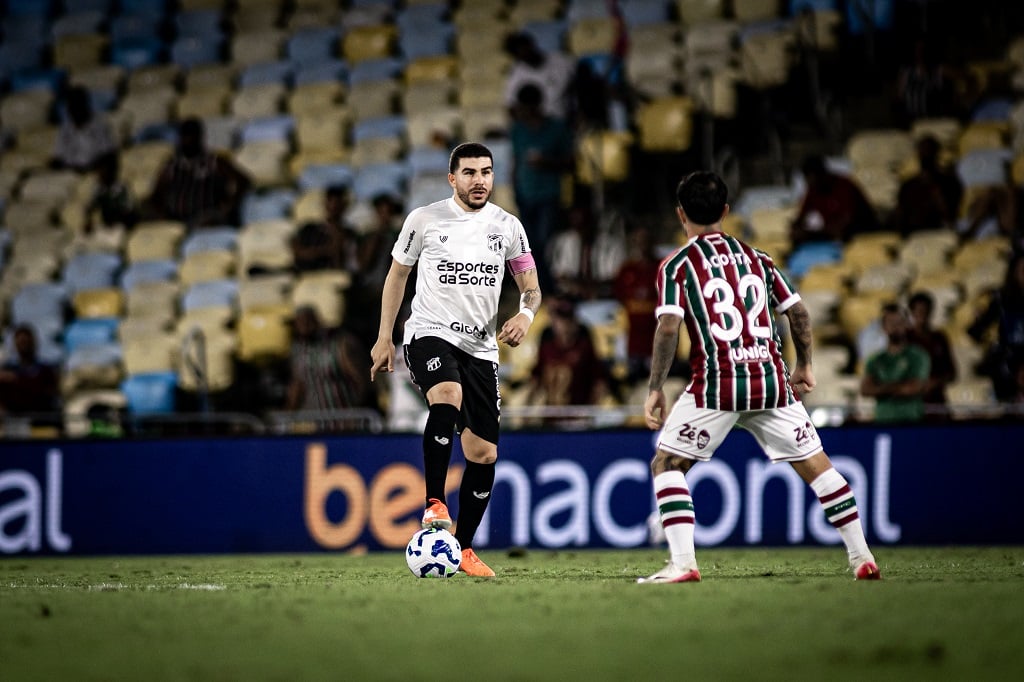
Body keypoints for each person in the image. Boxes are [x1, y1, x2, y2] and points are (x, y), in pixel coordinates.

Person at [638, 171, 880, 584]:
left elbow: (667, 328)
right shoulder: (758, 258)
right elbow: (799, 313)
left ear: (681, 215)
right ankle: (862, 557)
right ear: (726, 211)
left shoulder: (677, 265)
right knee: (817, 467)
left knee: (667, 463)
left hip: (718, 384)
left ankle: (683, 564)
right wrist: (804, 363)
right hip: (771, 380)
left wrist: (656, 387)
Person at [370, 142, 542, 578]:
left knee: (483, 454)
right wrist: (383, 338)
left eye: (486, 172)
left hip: (482, 349)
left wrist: (524, 314)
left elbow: (531, 287)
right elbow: (397, 276)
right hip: (428, 333)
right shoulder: (425, 220)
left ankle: (462, 548)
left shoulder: (508, 227)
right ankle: (434, 501)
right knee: (447, 393)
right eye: (469, 173)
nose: (479, 180)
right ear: (452, 179)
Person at [509, 83, 574, 288]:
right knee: (529, 246)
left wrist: (546, 162)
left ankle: (549, 287)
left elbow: (571, 162)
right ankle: (538, 287)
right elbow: (515, 161)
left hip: (549, 195)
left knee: (546, 244)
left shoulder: (556, 128)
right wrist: (515, 189)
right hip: (525, 195)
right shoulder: (517, 130)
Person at [145, 117, 251, 228]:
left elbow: (243, 181)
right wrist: (162, 215)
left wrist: (227, 207)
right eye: (185, 135)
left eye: (192, 135)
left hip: (207, 219)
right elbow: (156, 194)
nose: (188, 139)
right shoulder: (172, 165)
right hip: (176, 220)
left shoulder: (214, 162)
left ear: (200, 137)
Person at [286, 306, 376, 428]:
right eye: (297, 323)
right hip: (316, 423)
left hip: (345, 420)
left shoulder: (339, 344)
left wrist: (355, 412)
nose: (301, 326)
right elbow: (297, 385)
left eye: (304, 322)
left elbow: (361, 379)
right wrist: (288, 416)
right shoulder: (298, 350)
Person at [527, 295, 609, 410]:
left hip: (577, 416)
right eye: (560, 318)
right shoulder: (547, 347)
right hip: (551, 416)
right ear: (553, 321)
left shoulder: (584, 347)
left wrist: (590, 411)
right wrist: (527, 408)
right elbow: (536, 378)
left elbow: (599, 381)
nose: (564, 324)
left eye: (568, 318)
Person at [859, 303, 931, 423]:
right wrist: (899, 387)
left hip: (911, 421)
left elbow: (914, 387)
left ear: (907, 324)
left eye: (899, 322)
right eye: (891, 323)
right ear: (883, 326)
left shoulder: (918, 356)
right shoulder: (875, 360)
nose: (896, 327)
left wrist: (881, 388)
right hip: (882, 421)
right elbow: (865, 389)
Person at [968, 253, 1024, 400]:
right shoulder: (1002, 299)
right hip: (1009, 355)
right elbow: (976, 331)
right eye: (1022, 270)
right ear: (1014, 272)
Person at [791, 155, 879, 246]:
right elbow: (801, 218)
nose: (810, 182)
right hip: (832, 235)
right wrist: (797, 228)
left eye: (812, 177)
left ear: (822, 174)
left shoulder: (844, 186)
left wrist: (813, 234)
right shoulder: (814, 190)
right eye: (807, 178)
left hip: (861, 233)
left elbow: (845, 223)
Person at [613, 226, 661, 383]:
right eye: (639, 241)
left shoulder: (662, 268)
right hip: (633, 339)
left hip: (656, 338)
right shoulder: (627, 270)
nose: (642, 245)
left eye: (646, 241)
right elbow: (619, 298)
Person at [890, 135, 963, 236]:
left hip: (939, 231)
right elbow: (900, 214)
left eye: (929, 150)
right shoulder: (908, 185)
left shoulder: (949, 182)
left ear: (937, 153)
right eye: (922, 150)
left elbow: (951, 214)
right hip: (912, 232)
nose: (925, 154)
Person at [504, 31, 577, 123]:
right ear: (517, 57)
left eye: (526, 48)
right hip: (540, 127)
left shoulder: (563, 61)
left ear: (532, 45)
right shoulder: (515, 76)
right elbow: (512, 107)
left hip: (568, 119)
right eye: (520, 53)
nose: (525, 53)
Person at [907, 291, 957, 417]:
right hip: (911, 402)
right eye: (918, 310)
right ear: (912, 312)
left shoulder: (939, 338)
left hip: (936, 400)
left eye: (925, 310)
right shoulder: (905, 338)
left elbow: (951, 372)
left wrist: (935, 382)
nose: (922, 314)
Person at [290, 184, 360, 273]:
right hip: (307, 276)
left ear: (344, 206)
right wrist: (326, 250)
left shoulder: (349, 233)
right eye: (331, 201)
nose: (334, 207)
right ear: (325, 204)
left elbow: (345, 263)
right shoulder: (309, 228)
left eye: (337, 203)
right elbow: (299, 253)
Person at [0, 325, 61, 419]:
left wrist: (17, 379)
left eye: (26, 342)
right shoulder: (8, 369)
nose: (24, 346)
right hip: (14, 421)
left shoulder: (46, 371)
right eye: (21, 343)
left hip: (41, 419)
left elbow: (45, 394)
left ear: (34, 343)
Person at [52, 86, 116, 173]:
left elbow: (108, 154)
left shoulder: (98, 125)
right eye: (71, 105)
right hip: (70, 172)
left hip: (93, 171)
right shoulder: (66, 128)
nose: (73, 109)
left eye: (77, 104)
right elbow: (58, 156)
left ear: (84, 105)